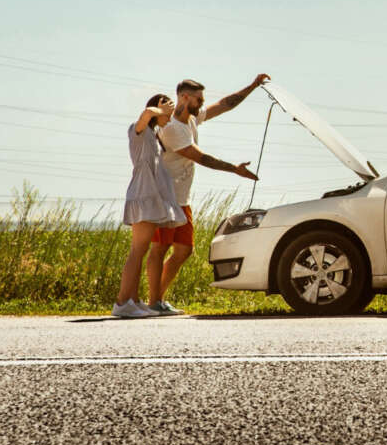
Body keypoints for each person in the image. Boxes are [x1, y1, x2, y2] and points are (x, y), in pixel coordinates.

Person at [146, 74, 270, 314]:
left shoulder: (191, 119)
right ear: (183, 97)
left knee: (184, 250)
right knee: (160, 248)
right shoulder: (171, 127)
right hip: (165, 195)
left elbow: (224, 105)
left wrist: (253, 86)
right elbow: (201, 158)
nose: (202, 103)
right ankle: (153, 302)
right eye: (198, 99)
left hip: (181, 197)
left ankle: (157, 300)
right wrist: (235, 169)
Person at [113, 94, 189, 319]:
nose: (170, 118)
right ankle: (122, 302)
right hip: (142, 196)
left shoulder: (153, 136)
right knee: (137, 251)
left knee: (140, 250)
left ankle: (133, 301)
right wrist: (158, 110)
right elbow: (146, 115)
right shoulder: (138, 130)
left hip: (150, 198)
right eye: (168, 113)